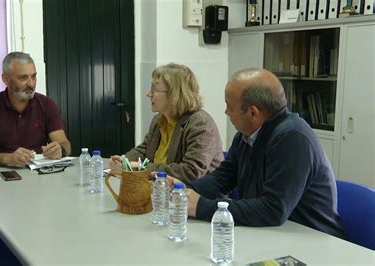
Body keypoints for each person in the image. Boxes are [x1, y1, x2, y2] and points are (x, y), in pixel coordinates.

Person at [173, 68, 345, 238]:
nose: (226, 112)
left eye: (229, 106)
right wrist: (183, 191)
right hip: (272, 234)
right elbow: (223, 177)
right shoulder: (246, 135)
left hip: (311, 241)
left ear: (253, 112)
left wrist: (201, 207)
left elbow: (273, 209)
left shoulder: (293, 138)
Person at [110, 63, 224, 183]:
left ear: (174, 94)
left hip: (195, 196)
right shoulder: (160, 118)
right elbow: (145, 150)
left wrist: (140, 168)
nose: (148, 93)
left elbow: (191, 172)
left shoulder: (200, 123)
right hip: (160, 188)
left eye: (154, 88)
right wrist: (124, 161)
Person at [0, 52, 71, 167]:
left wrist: (60, 150)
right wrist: (8, 158)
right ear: (5, 79)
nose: (31, 84)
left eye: (33, 76)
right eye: (23, 77)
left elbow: (65, 144)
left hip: (38, 174)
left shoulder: (47, 105)